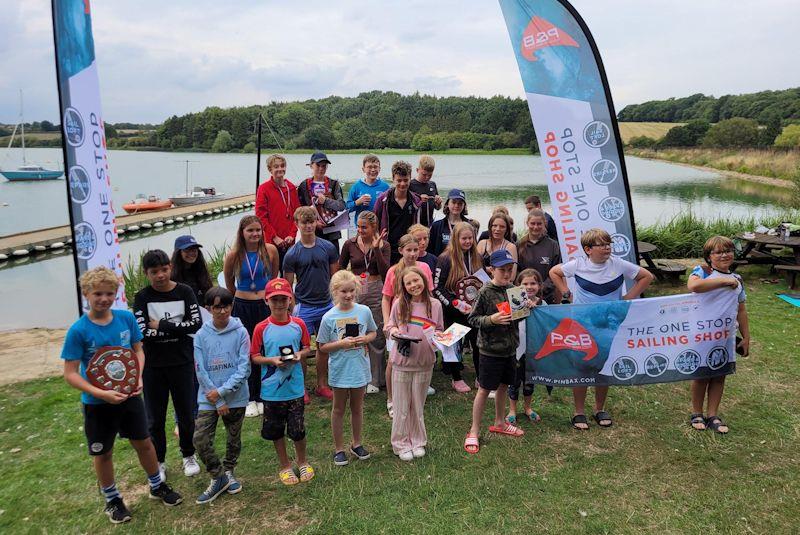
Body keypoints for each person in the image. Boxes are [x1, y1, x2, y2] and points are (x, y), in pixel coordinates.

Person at [62, 267, 182, 523]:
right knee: (103, 453)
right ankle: (112, 499)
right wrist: (100, 393)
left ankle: (156, 485)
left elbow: (138, 351)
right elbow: (70, 374)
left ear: (115, 294)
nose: (104, 299)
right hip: (98, 403)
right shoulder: (78, 330)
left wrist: (137, 377)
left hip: (130, 396)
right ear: (86, 294)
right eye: (98, 294)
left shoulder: (126, 319)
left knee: (144, 443)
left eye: (109, 293)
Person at [549, 228, 654, 430]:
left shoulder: (618, 264)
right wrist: (565, 292)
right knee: (581, 367)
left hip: (608, 326)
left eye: (608, 244)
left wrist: (628, 298)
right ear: (588, 249)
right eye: (602, 245)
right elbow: (554, 272)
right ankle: (578, 412)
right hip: (582, 325)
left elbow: (647, 276)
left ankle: (599, 408)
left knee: (603, 366)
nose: (607, 248)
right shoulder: (578, 265)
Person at [133, 249, 202, 480]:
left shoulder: (185, 291)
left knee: (185, 414)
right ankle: (159, 461)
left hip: (182, 362)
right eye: (155, 272)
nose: (160, 275)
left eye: (164, 270)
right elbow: (142, 332)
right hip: (153, 366)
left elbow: (195, 324)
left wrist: (160, 325)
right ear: (147, 273)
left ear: (170, 268)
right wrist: (174, 327)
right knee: (155, 418)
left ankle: (188, 455)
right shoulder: (142, 297)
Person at [464, 250, 531, 454]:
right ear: (491, 269)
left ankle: (500, 423)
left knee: (504, 386)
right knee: (484, 389)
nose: (507, 274)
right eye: (502, 270)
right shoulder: (484, 292)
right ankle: (474, 430)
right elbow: (473, 319)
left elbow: (518, 318)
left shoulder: (515, 290)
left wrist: (526, 308)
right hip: (490, 351)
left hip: (510, 349)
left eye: (510, 270)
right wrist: (491, 319)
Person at [250, 278, 315, 485]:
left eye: (283, 299)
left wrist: (299, 355)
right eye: (274, 299)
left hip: (295, 388)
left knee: (297, 429)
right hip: (272, 391)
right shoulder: (261, 328)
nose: (279, 303)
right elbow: (254, 356)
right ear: (266, 301)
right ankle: (285, 465)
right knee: (276, 430)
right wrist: (271, 360)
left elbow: (307, 347)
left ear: (290, 300)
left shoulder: (299, 324)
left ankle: (302, 462)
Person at [686, 236, 750, 434]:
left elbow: (741, 310)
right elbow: (693, 286)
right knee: (702, 375)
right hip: (703, 334)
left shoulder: (738, 279)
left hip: (726, 336)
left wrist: (746, 336)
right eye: (718, 252)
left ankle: (713, 414)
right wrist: (724, 280)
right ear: (709, 256)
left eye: (728, 250)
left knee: (719, 376)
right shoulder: (703, 271)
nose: (724, 255)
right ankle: (697, 412)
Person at [192, 287, 250, 504]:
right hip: (208, 397)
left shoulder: (241, 332)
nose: (222, 311)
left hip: (236, 396)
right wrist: (217, 398)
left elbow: (244, 368)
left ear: (231, 306)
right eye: (217, 307)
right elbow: (200, 369)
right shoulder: (200, 335)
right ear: (209, 308)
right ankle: (219, 477)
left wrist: (223, 392)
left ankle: (229, 470)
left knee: (233, 438)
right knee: (200, 439)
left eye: (226, 306)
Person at [317, 271, 378, 466]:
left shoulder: (363, 311)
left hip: (359, 366)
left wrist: (365, 339)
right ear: (335, 291)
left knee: (357, 407)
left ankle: (357, 443)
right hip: (340, 368)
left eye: (352, 290)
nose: (348, 295)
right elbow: (322, 346)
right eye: (344, 291)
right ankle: (338, 448)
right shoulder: (328, 317)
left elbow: (373, 332)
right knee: (338, 408)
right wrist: (340, 344)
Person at [384, 266, 444, 461]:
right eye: (408, 283)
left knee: (418, 405)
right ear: (403, 286)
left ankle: (418, 440)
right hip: (403, 360)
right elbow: (391, 325)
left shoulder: (435, 305)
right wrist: (394, 333)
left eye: (416, 281)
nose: (413, 285)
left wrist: (443, 338)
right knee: (401, 406)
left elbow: (440, 329)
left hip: (425, 361)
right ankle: (400, 443)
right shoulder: (399, 303)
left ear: (424, 281)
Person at [223, 215, 280, 418]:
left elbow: (273, 278)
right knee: (246, 351)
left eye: (258, 230)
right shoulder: (234, 255)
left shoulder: (270, 250)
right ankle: (249, 397)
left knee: (265, 348)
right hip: (243, 306)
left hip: (265, 305)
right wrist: (240, 297)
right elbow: (229, 283)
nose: (255, 234)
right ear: (242, 233)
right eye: (250, 231)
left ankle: (264, 394)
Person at [284, 206, 340, 401]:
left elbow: (336, 277)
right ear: (297, 224)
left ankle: (322, 384)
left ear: (316, 222)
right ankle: (301, 388)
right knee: (302, 349)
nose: (308, 226)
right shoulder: (292, 254)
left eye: (311, 221)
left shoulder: (328, 247)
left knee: (323, 347)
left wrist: (336, 302)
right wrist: (291, 309)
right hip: (304, 306)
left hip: (326, 304)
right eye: (304, 222)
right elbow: (288, 285)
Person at [381, 234, 435, 415]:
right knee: (394, 360)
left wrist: (432, 319)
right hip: (400, 320)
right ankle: (391, 399)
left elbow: (430, 295)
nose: (413, 254)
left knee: (419, 352)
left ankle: (416, 394)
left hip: (421, 319)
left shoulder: (425, 267)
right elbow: (386, 298)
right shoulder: (393, 271)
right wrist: (388, 321)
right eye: (409, 250)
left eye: (416, 250)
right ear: (401, 251)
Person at [338, 210, 391, 394]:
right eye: (358, 226)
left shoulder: (384, 245)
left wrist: (376, 249)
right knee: (353, 331)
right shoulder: (349, 244)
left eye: (364, 227)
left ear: (374, 227)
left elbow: (386, 273)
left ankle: (377, 379)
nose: (360, 230)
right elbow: (340, 269)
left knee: (376, 332)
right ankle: (355, 376)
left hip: (376, 287)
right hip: (355, 291)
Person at [433, 222, 484, 393]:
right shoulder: (445, 258)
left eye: (470, 238)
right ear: (456, 239)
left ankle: (480, 376)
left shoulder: (476, 256)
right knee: (452, 345)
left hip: (474, 311)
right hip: (453, 311)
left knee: (478, 344)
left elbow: (482, 281)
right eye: (464, 238)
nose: (468, 241)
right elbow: (437, 288)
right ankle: (456, 378)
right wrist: (454, 304)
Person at [506, 269, 546, 425]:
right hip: (516, 348)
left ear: (539, 285)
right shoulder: (514, 300)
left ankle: (528, 407)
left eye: (533, 283)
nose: (529, 287)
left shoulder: (544, 304)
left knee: (529, 380)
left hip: (534, 349)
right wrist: (524, 307)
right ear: (518, 285)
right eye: (525, 284)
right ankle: (512, 410)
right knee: (514, 380)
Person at [255, 154, 301, 275]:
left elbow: (297, 214)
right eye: (276, 166)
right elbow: (260, 216)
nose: (280, 169)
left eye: (282, 166)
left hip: (289, 241)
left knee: (288, 274)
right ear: (270, 169)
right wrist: (274, 237)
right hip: (271, 241)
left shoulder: (291, 187)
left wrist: (292, 234)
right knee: (271, 276)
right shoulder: (264, 189)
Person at [374, 160, 423, 263]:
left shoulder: (416, 201)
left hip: (410, 250)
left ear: (410, 179)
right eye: (399, 180)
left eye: (406, 180)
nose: (402, 184)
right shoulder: (383, 200)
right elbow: (374, 225)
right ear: (393, 179)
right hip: (388, 249)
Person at [297, 151, 346, 253]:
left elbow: (341, 206)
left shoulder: (334, 184)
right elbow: (299, 210)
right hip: (311, 232)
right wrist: (314, 222)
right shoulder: (304, 185)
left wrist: (326, 201)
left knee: (333, 263)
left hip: (332, 232)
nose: (321, 168)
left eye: (324, 166)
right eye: (318, 165)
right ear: (311, 165)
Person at [516, 209, 561, 304]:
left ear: (544, 223)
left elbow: (556, 271)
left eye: (539, 224)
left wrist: (540, 289)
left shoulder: (553, 245)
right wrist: (527, 289)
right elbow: (516, 271)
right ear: (527, 223)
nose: (535, 227)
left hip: (547, 298)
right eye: (532, 223)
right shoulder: (519, 245)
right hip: (524, 299)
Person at [428, 189, 472, 258]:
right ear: (447, 204)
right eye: (453, 202)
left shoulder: (470, 225)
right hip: (442, 265)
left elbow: (473, 249)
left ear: (464, 206)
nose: (456, 205)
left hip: (463, 265)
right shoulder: (437, 226)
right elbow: (430, 250)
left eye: (460, 203)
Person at [170, 235, 213, 305]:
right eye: (187, 250)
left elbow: (210, 293)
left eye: (194, 249)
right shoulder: (172, 276)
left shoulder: (201, 270)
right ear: (178, 253)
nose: (192, 253)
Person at [346, 154, 390, 220]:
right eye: (369, 167)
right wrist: (357, 202)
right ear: (363, 169)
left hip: (379, 226)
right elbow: (347, 209)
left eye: (375, 167)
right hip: (362, 227)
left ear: (379, 169)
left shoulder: (385, 187)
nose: (373, 170)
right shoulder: (356, 187)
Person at [409, 155, 442, 227]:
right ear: (417, 170)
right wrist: (418, 199)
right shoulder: (410, 184)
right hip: (414, 226)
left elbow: (437, 208)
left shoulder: (432, 184)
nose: (427, 177)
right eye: (424, 174)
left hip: (429, 225)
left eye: (430, 175)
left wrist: (438, 203)